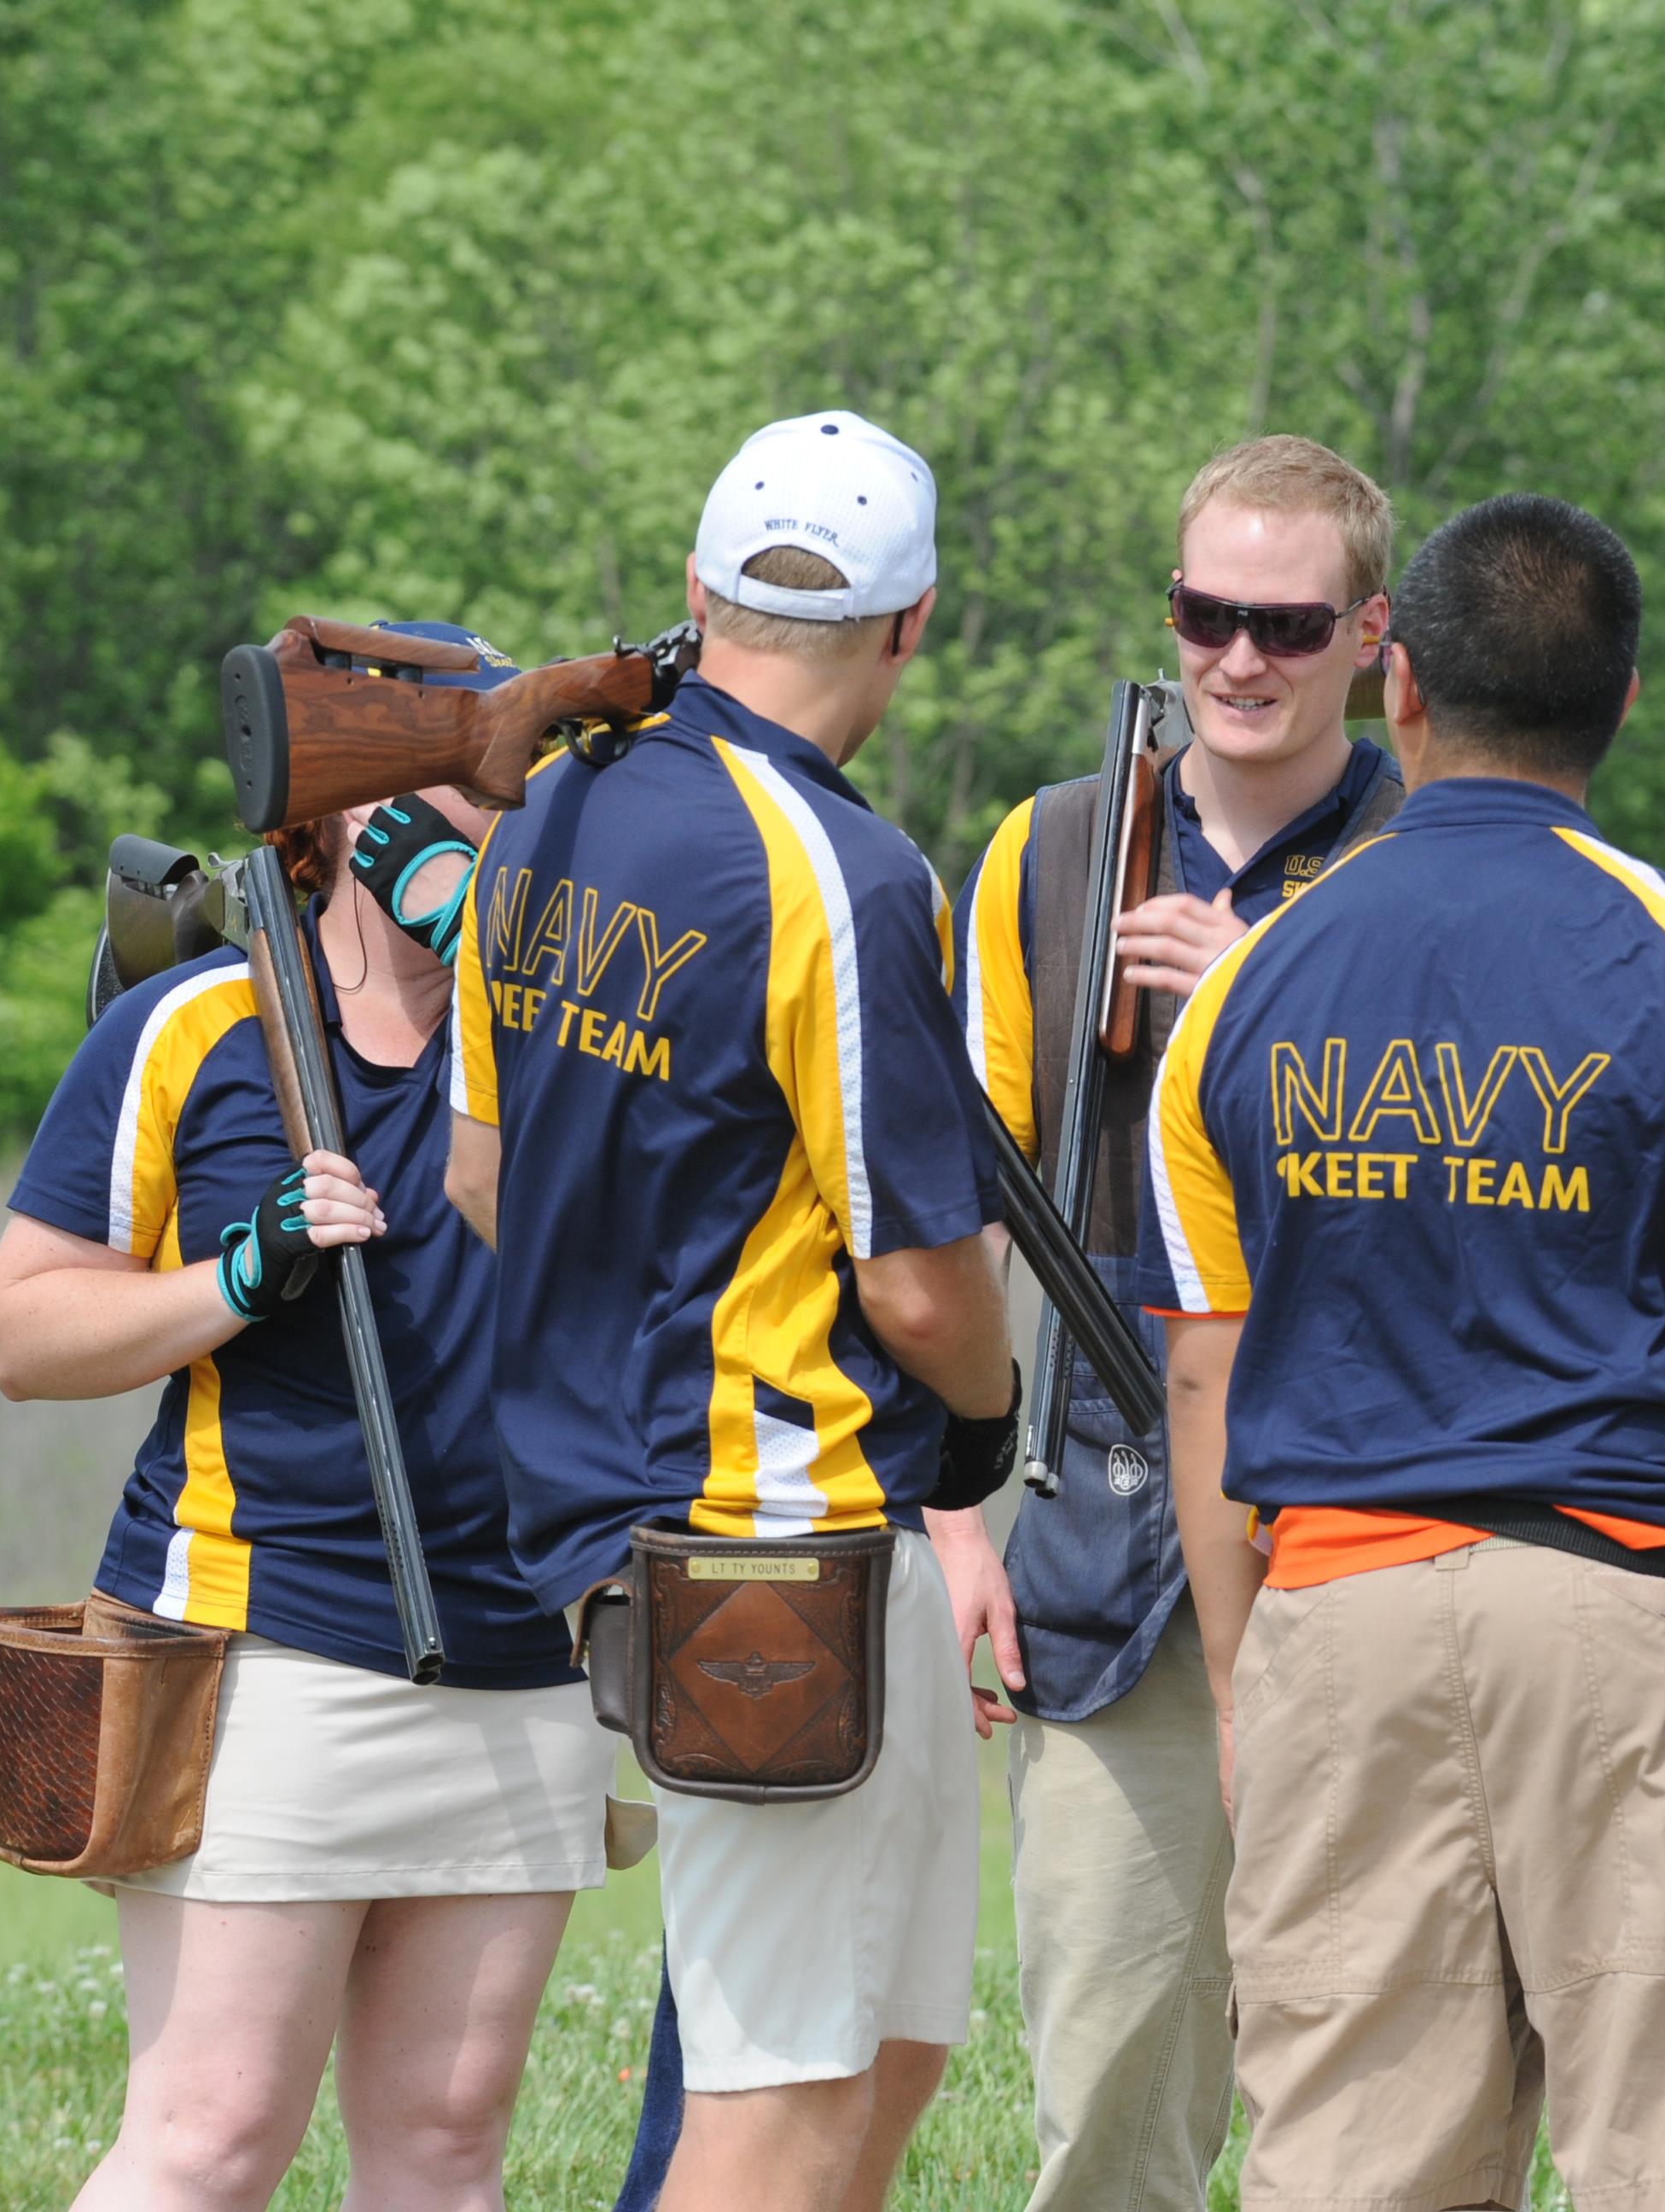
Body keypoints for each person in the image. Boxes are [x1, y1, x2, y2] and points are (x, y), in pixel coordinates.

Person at [1144, 492, 1665, 2212]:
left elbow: (1208, 1376)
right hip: (1625, 1614)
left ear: (1400, 688)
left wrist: (1239, 1679)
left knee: (1356, 2167)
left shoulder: (1246, 986)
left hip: (1334, 1607)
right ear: (1624, 705)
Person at [445, 413, 1018, 2212]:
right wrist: (990, 1422)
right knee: (772, 2106)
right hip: (772, 1535)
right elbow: (922, 1283)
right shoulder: (844, 877)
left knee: (881, 2048)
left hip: (677, 1524)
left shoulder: (550, 808)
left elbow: (478, 1179)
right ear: (914, 627)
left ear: (697, 593)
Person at [0, 624, 613, 2212]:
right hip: (264, 1645)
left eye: (507, 776)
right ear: (342, 815)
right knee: (210, 2144)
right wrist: (236, 1276)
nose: (499, 807)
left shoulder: (560, 1036)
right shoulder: (193, 1026)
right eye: (453, 780)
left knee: (448, 2148)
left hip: (523, 1647)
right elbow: (22, 1331)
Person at [930, 434, 1404, 2211]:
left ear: (1371, 638)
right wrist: (951, 1512)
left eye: (1289, 623)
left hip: (1370, 1511)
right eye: (1210, 614)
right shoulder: (1049, 850)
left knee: (1375, 2073)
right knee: (1114, 2076)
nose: (1241, 661)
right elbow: (965, 1208)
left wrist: (1268, 1001)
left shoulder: (1431, 859)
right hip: (1098, 1533)